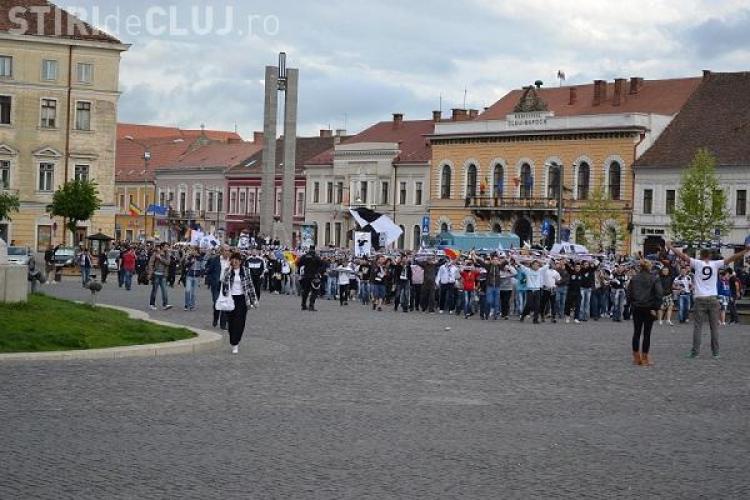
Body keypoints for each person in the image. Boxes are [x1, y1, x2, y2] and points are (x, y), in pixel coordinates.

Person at [666, 241, 749, 359]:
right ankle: (715, 352)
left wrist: (670, 247)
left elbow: (682, 256)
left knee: (698, 327)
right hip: (712, 298)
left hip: (700, 298)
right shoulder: (715, 264)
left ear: (700, 255)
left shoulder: (697, 263)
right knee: (714, 327)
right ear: (710, 256)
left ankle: (695, 352)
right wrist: (745, 251)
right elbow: (732, 258)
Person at [627, 260, 662, 366]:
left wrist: (632, 304)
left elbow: (629, 293)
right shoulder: (654, 278)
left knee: (636, 332)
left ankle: (636, 357)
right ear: (649, 267)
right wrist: (656, 308)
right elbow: (659, 294)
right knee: (647, 334)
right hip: (649, 308)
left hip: (637, 307)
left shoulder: (634, 278)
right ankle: (645, 357)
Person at [221, 252, 256, 354]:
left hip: (242, 299)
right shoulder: (228, 270)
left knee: (240, 321)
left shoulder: (246, 271)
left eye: (237, 260)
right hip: (230, 299)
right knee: (231, 321)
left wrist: (254, 300)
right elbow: (223, 284)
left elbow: (250, 285)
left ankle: (235, 343)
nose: (235, 261)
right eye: (233, 259)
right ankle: (233, 339)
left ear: (240, 262)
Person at [206, 246, 230, 329]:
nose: (227, 252)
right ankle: (215, 318)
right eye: (225, 250)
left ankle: (223, 324)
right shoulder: (215, 260)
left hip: (226, 285)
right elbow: (209, 271)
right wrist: (211, 280)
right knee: (217, 302)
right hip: (216, 284)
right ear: (221, 252)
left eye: (228, 251)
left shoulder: (231, 261)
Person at [147, 243, 172, 311]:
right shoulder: (155, 254)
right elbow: (151, 263)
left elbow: (168, 263)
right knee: (154, 290)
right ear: (162, 247)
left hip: (163, 275)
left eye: (167, 247)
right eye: (166, 247)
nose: (167, 248)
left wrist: (160, 258)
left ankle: (165, 304)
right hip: (156, 274)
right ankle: (152, 304)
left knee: (164, 290)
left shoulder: (167, 254)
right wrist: (150, 272)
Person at [298, 247, 323, 311]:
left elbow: (299, 264)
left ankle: (303, 305)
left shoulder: (304, 256)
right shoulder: (316, 257)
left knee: (305, 291)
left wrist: (300, 272)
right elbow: (321, 265)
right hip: (314, 276)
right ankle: (311, 305)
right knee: (315, 291)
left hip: (306, 276)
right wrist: (318, 272)